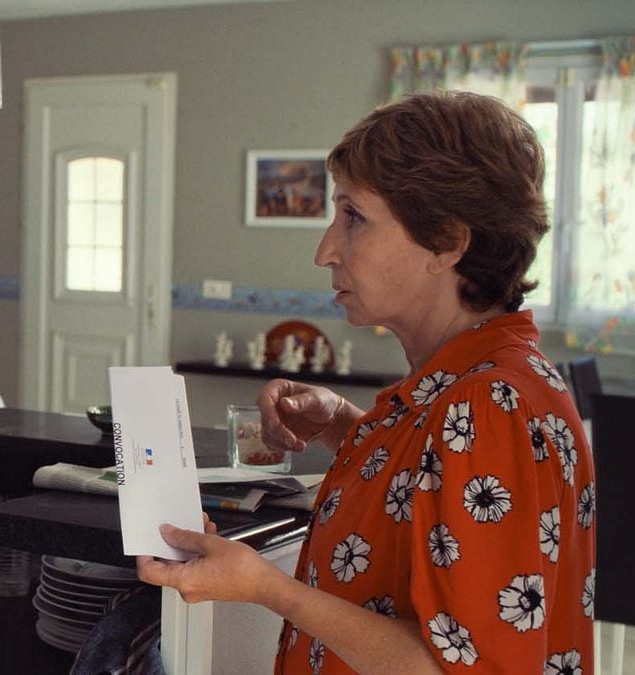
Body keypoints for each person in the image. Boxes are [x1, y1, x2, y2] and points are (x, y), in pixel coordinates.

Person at [138, 91, 595, 674]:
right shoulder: (470, 385)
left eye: (353, 217)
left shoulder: (487, 405)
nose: (325, 250)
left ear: (448, 242)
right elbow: (435, 498)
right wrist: (343, 425)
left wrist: (263, 587)